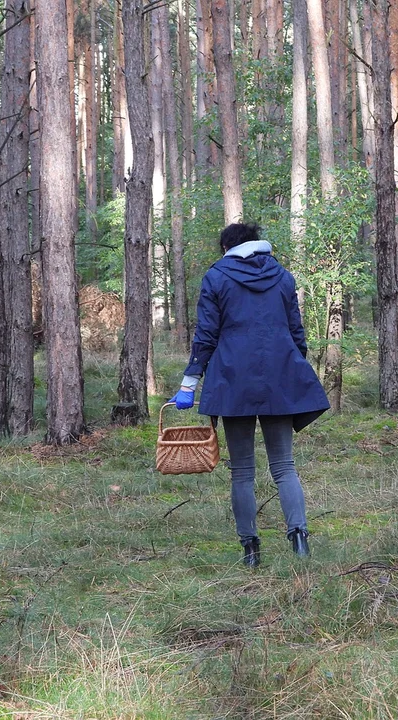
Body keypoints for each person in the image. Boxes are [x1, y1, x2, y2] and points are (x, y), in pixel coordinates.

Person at [169, 223, 330, 568]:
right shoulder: (282, 276)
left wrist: (189, 383)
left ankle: (251, 550)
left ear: (227, 247)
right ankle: (299, 539)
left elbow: (207, 335)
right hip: (280, 377)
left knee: (242, 471)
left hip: (233, 378)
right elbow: (296, 333)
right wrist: (289, 368)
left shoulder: (216, 277)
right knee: (284, 466)